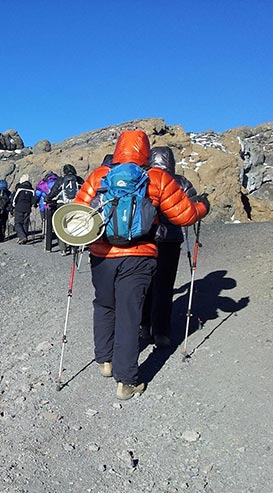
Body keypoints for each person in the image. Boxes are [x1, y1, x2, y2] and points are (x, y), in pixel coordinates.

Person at [73, 130, 209, 400]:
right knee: (130, 313)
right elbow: (185, 216)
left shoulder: (99, 176)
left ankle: (104, 361)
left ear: (118, 148)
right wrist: (203, 206)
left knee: (104, 305)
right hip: (139, 255)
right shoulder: (156, 178)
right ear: (146, 152)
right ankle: (126, 381)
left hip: (102, 255)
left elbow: (79, 212)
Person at [140, 146, 200, 347]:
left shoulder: (145, 178)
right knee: (165, 287)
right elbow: (192, 210)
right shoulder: (181, 182)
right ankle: (162, 332)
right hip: (171, 241)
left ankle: (144, 327)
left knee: (145, 284)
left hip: (146, 238)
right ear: (171, 161)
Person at [44, 164, 84, 255]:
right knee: (74, 226)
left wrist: (48, 199)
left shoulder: (61, 180)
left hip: (62, 205)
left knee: (61, 227)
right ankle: (74, 247)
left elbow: (54, 191)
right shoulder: (79, 179)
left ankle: (63, 249)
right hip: (75, 205)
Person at [11, 173, 35, 244]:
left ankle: (22, 236)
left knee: (18, 223)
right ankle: (24, 237)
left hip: (19, 208)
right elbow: (33, 200)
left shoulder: (19, 189)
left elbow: (14, 199)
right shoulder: (32, 190)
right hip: (27, 208)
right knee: (25, 223)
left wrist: (13, 206)